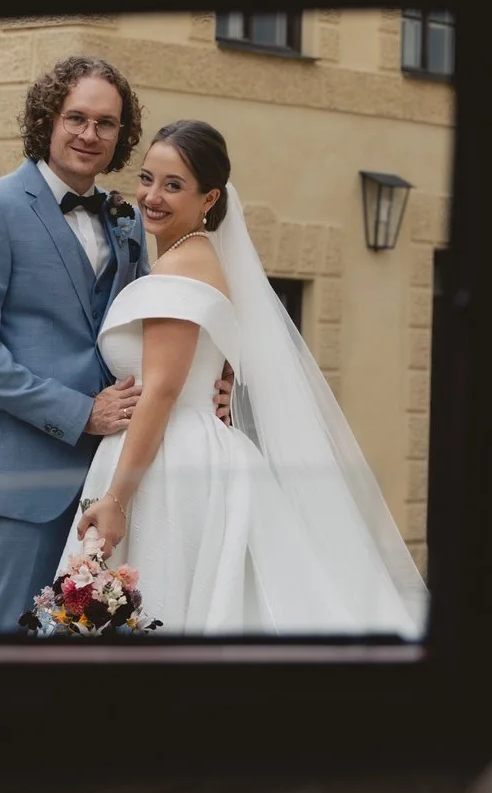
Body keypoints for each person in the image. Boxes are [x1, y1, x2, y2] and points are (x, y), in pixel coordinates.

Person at [67, 119, 427, 637]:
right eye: (147, 178)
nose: (152, 196)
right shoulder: (196, 258)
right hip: (180, 449)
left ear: (209, 197)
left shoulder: (181, 268)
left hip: (166, 465)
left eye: (174, 186)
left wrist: (117, 500)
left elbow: (164, 391)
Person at [0, 56, 156, 634]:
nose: (90, 134)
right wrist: (80, 411)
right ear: (47, 120)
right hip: (21, 477)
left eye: (106, 123)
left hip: (106, 480)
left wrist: (217, 372)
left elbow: (147, 328)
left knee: (88, 641)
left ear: (120, 134)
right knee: (1, 637)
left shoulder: (127, 219)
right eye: (76, 118)